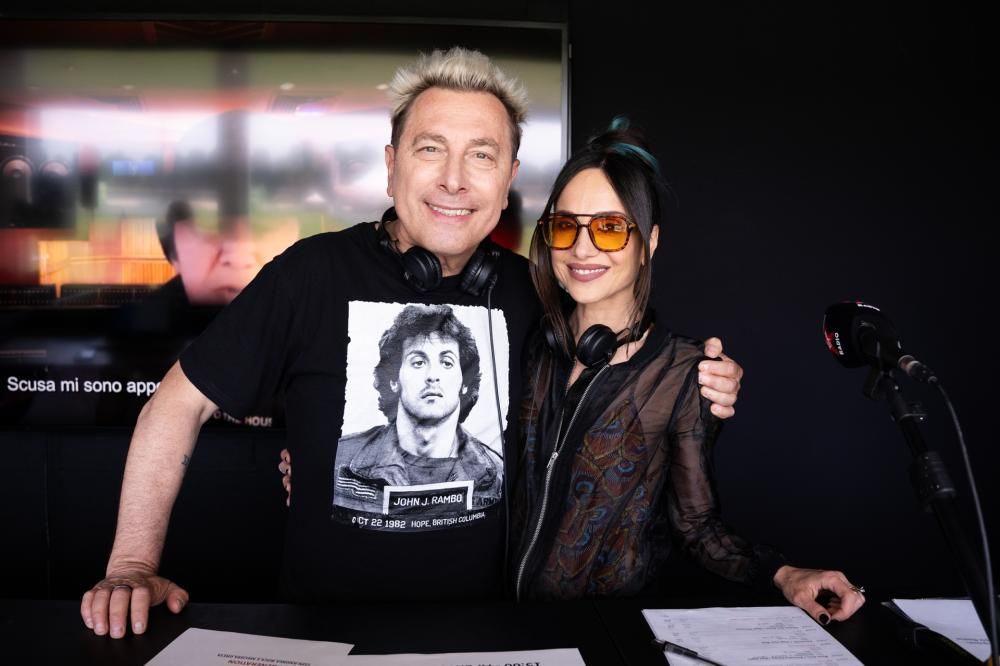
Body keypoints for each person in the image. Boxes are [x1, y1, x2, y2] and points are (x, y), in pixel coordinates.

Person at [80, 47, 743, 639]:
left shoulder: (531, 290)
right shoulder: (311, 273)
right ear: (392, 164)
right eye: (431, 149)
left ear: (508, 177)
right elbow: (176, 405)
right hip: (323, 636)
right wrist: (131, 566)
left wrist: (703, 373)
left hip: (488, 638)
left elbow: (619, 353)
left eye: (481, 155)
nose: (455, 179)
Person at [511, 118, 864, 624]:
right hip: (500, 625)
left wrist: (783, 574)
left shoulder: (684, 374)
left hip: (607, 634)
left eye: (610, 228)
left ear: (649, 242)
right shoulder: (527, 338)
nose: (582, 248)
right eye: (565, 226)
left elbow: (697, 528)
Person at [333, 303, 503, 515]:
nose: (432, 376)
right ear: (394, 379)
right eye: (418, 362)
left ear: (465, 383)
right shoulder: (343, 459)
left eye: (447, 363)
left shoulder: (496, 471)